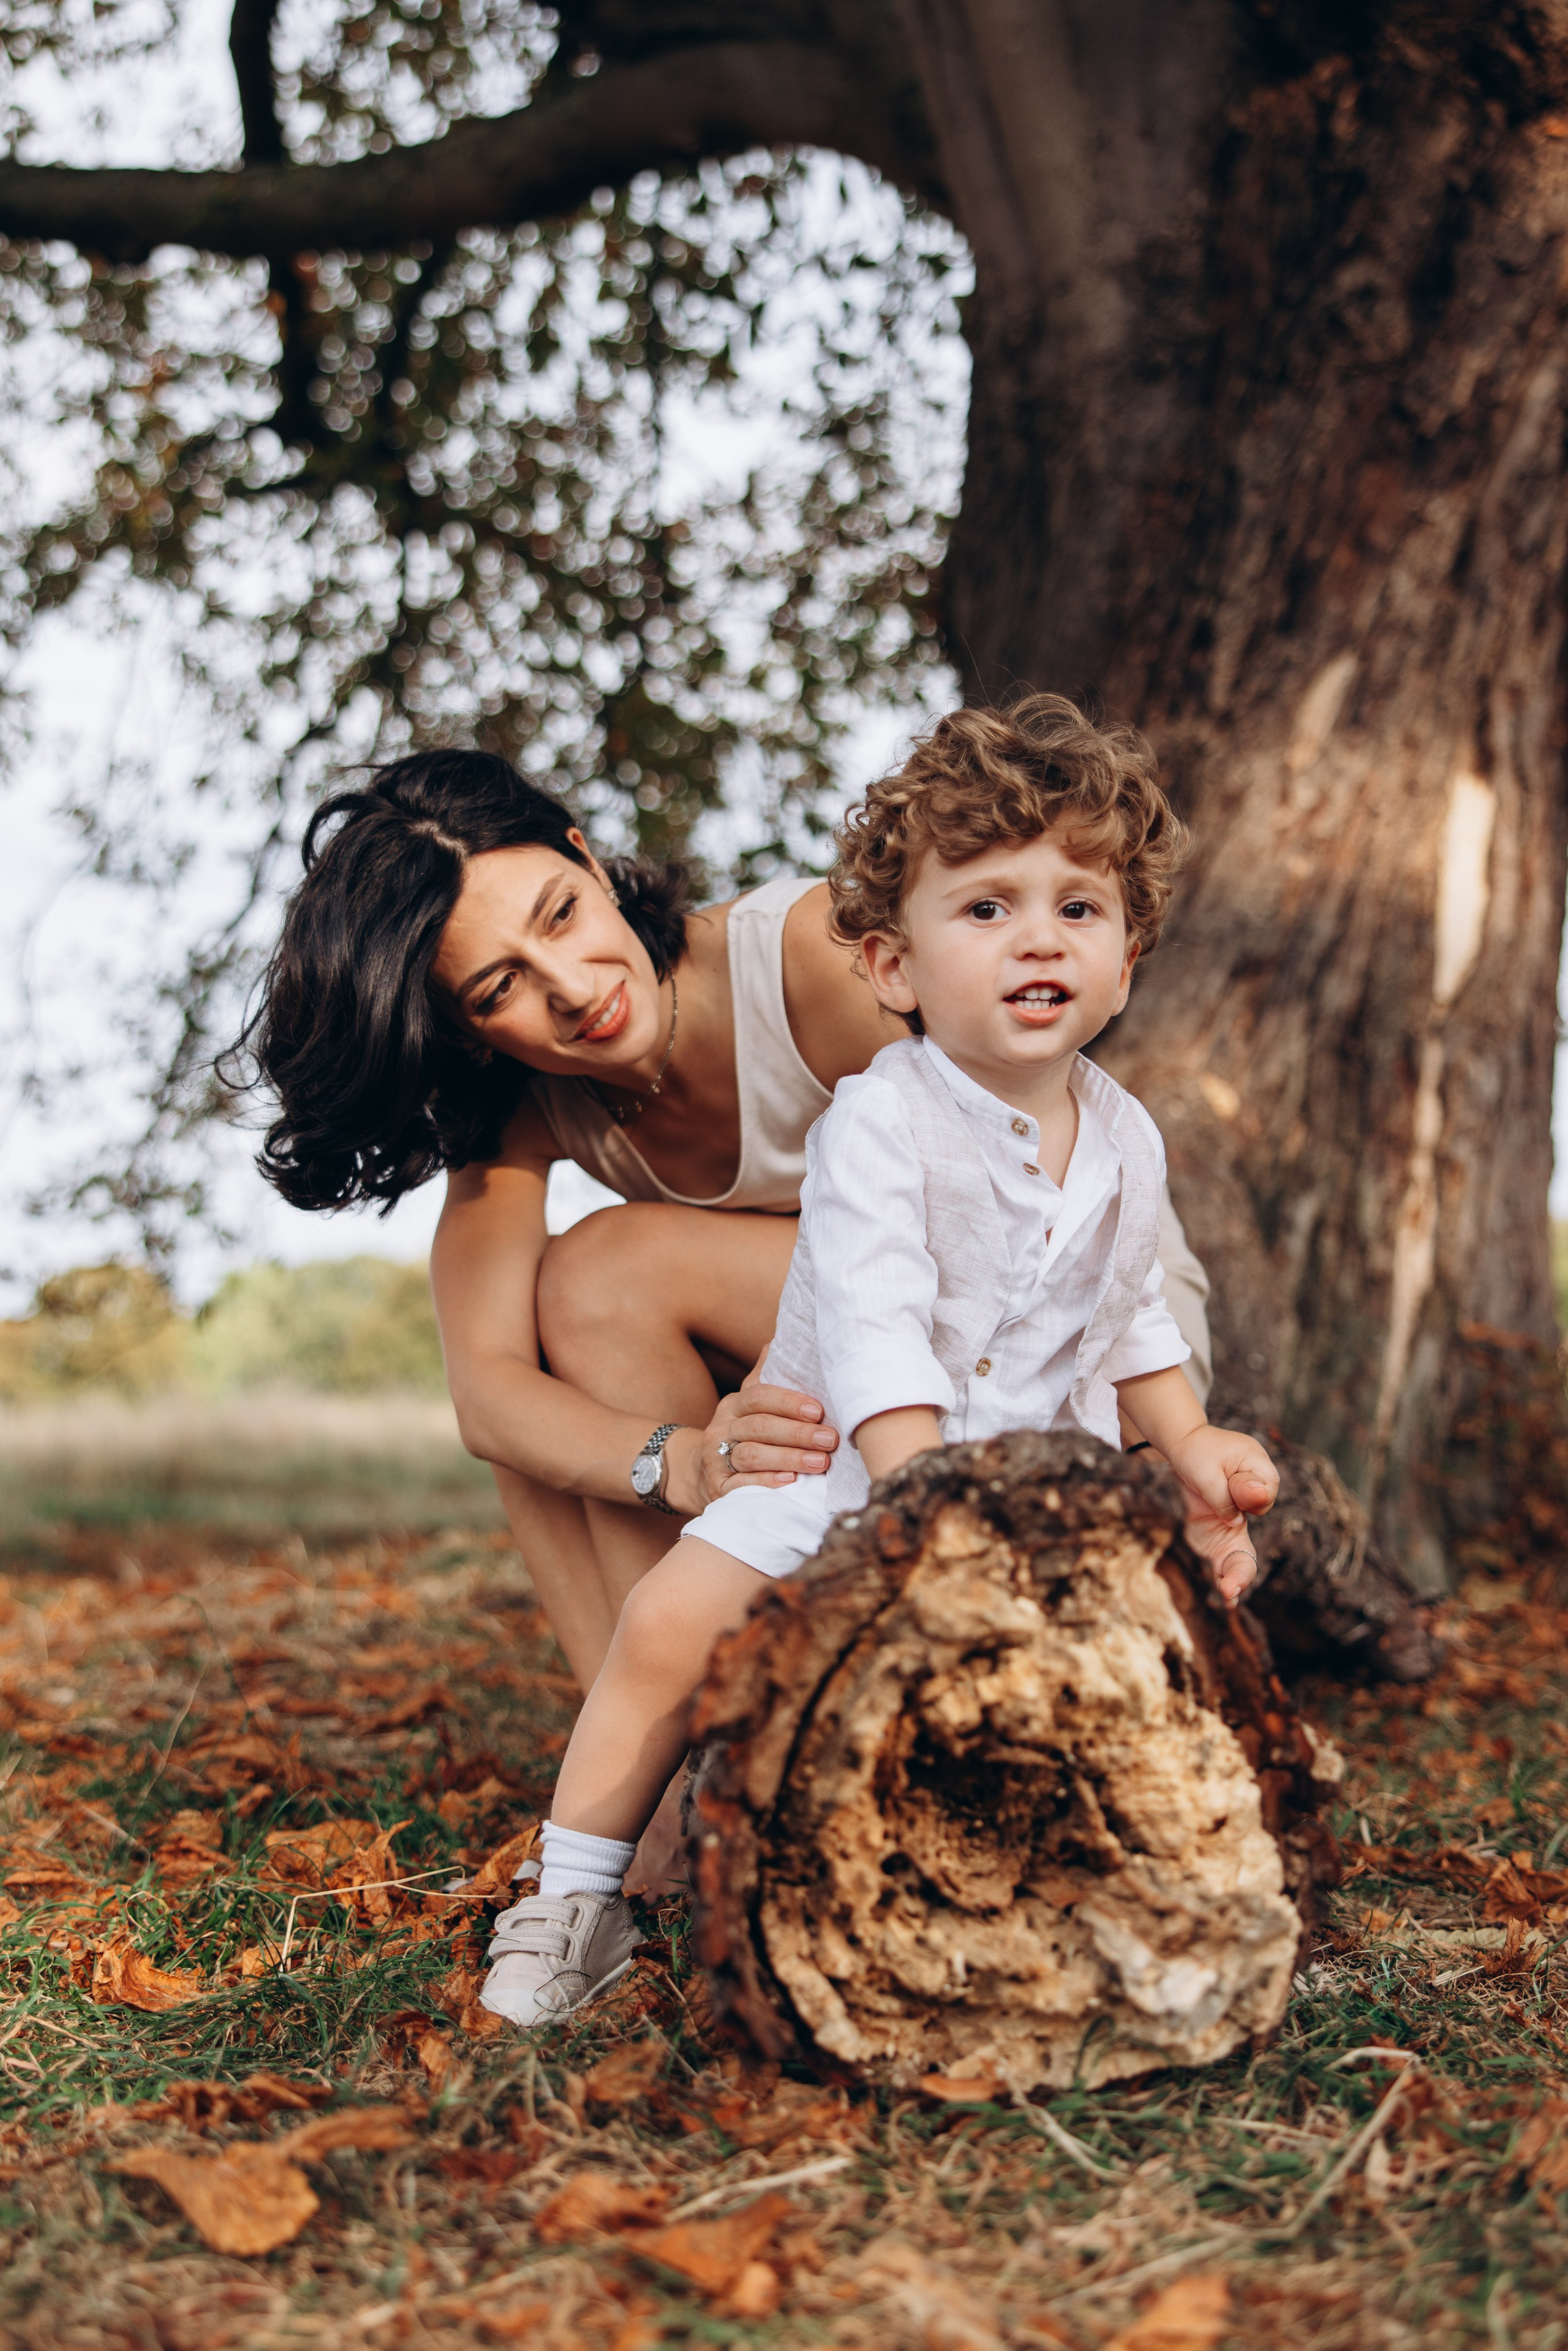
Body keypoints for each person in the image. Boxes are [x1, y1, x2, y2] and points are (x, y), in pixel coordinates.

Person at [246, 726, 1212, 1885]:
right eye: (500, 985)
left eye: (559, 914)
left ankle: (768, 1747)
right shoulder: (526, 1116)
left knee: (600, 1273)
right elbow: (487, 1397)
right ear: (463, 1026)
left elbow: (1041, 1192)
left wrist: (1165, 1433)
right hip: (845, 1356)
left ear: (590, 860)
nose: (572, 990)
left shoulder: (810, 959)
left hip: (1065, 1319)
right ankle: (667, 1780)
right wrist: (683, 1459)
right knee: (549, 1400)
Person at [477, 696, 1279, 2029]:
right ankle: (578, 1892)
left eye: (1077, 909)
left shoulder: (1126, 1135)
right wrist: (925, 1497)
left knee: (1111, 1679)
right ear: (890, 967)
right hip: (849, 1459)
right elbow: (869, 1324)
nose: (1037, 935)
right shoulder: (879, 1120)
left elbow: (1129, 1310)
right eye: (985, 909)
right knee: (666, 1627)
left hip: (1033, 1474)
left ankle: (1090, 1906)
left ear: (1126, 959)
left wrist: (1186, 1443)